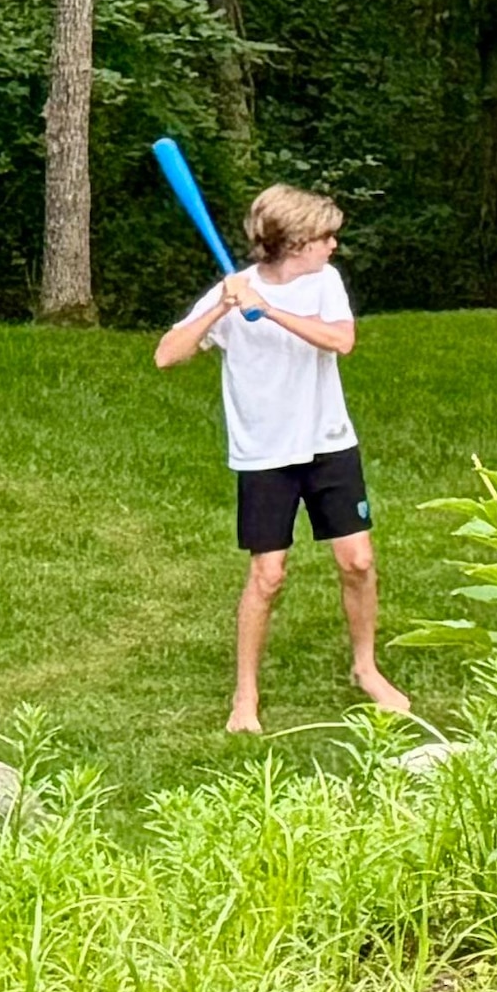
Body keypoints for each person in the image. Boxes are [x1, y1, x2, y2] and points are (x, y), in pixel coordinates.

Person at [152, 181, 413, 732]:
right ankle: (244, 698)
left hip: (329, 443)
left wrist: (267, 311)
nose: (333, 247)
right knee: (268, 575)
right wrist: (219, 308)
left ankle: (365, 668)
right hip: (264, 454)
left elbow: (341, 341)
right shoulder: (234, 289)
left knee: (358, 561)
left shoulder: (325, 283)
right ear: (295, 242)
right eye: (325, 237)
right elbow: (166, 357)